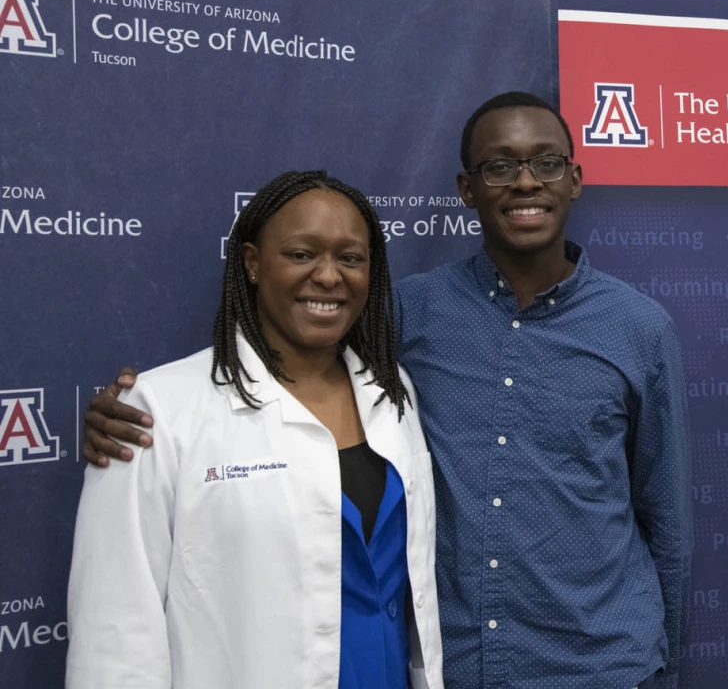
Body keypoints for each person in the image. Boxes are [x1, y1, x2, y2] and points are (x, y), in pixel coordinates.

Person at [82, 92, 693, 689]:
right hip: (460, 663)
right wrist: (128, 414)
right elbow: (278, 372)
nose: (526, 182)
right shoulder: (408, 315)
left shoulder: (639, 329)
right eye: (500, 166)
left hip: (602, 663)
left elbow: (665, 520)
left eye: (547, 163)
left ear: (575, 179)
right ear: (467, 189)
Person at [67, 170, 444, 689]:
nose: (329, 276)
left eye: (351, 258)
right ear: (251, 263)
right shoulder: (158, 409)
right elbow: (115, 629)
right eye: (301, 254)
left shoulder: (392, 391)